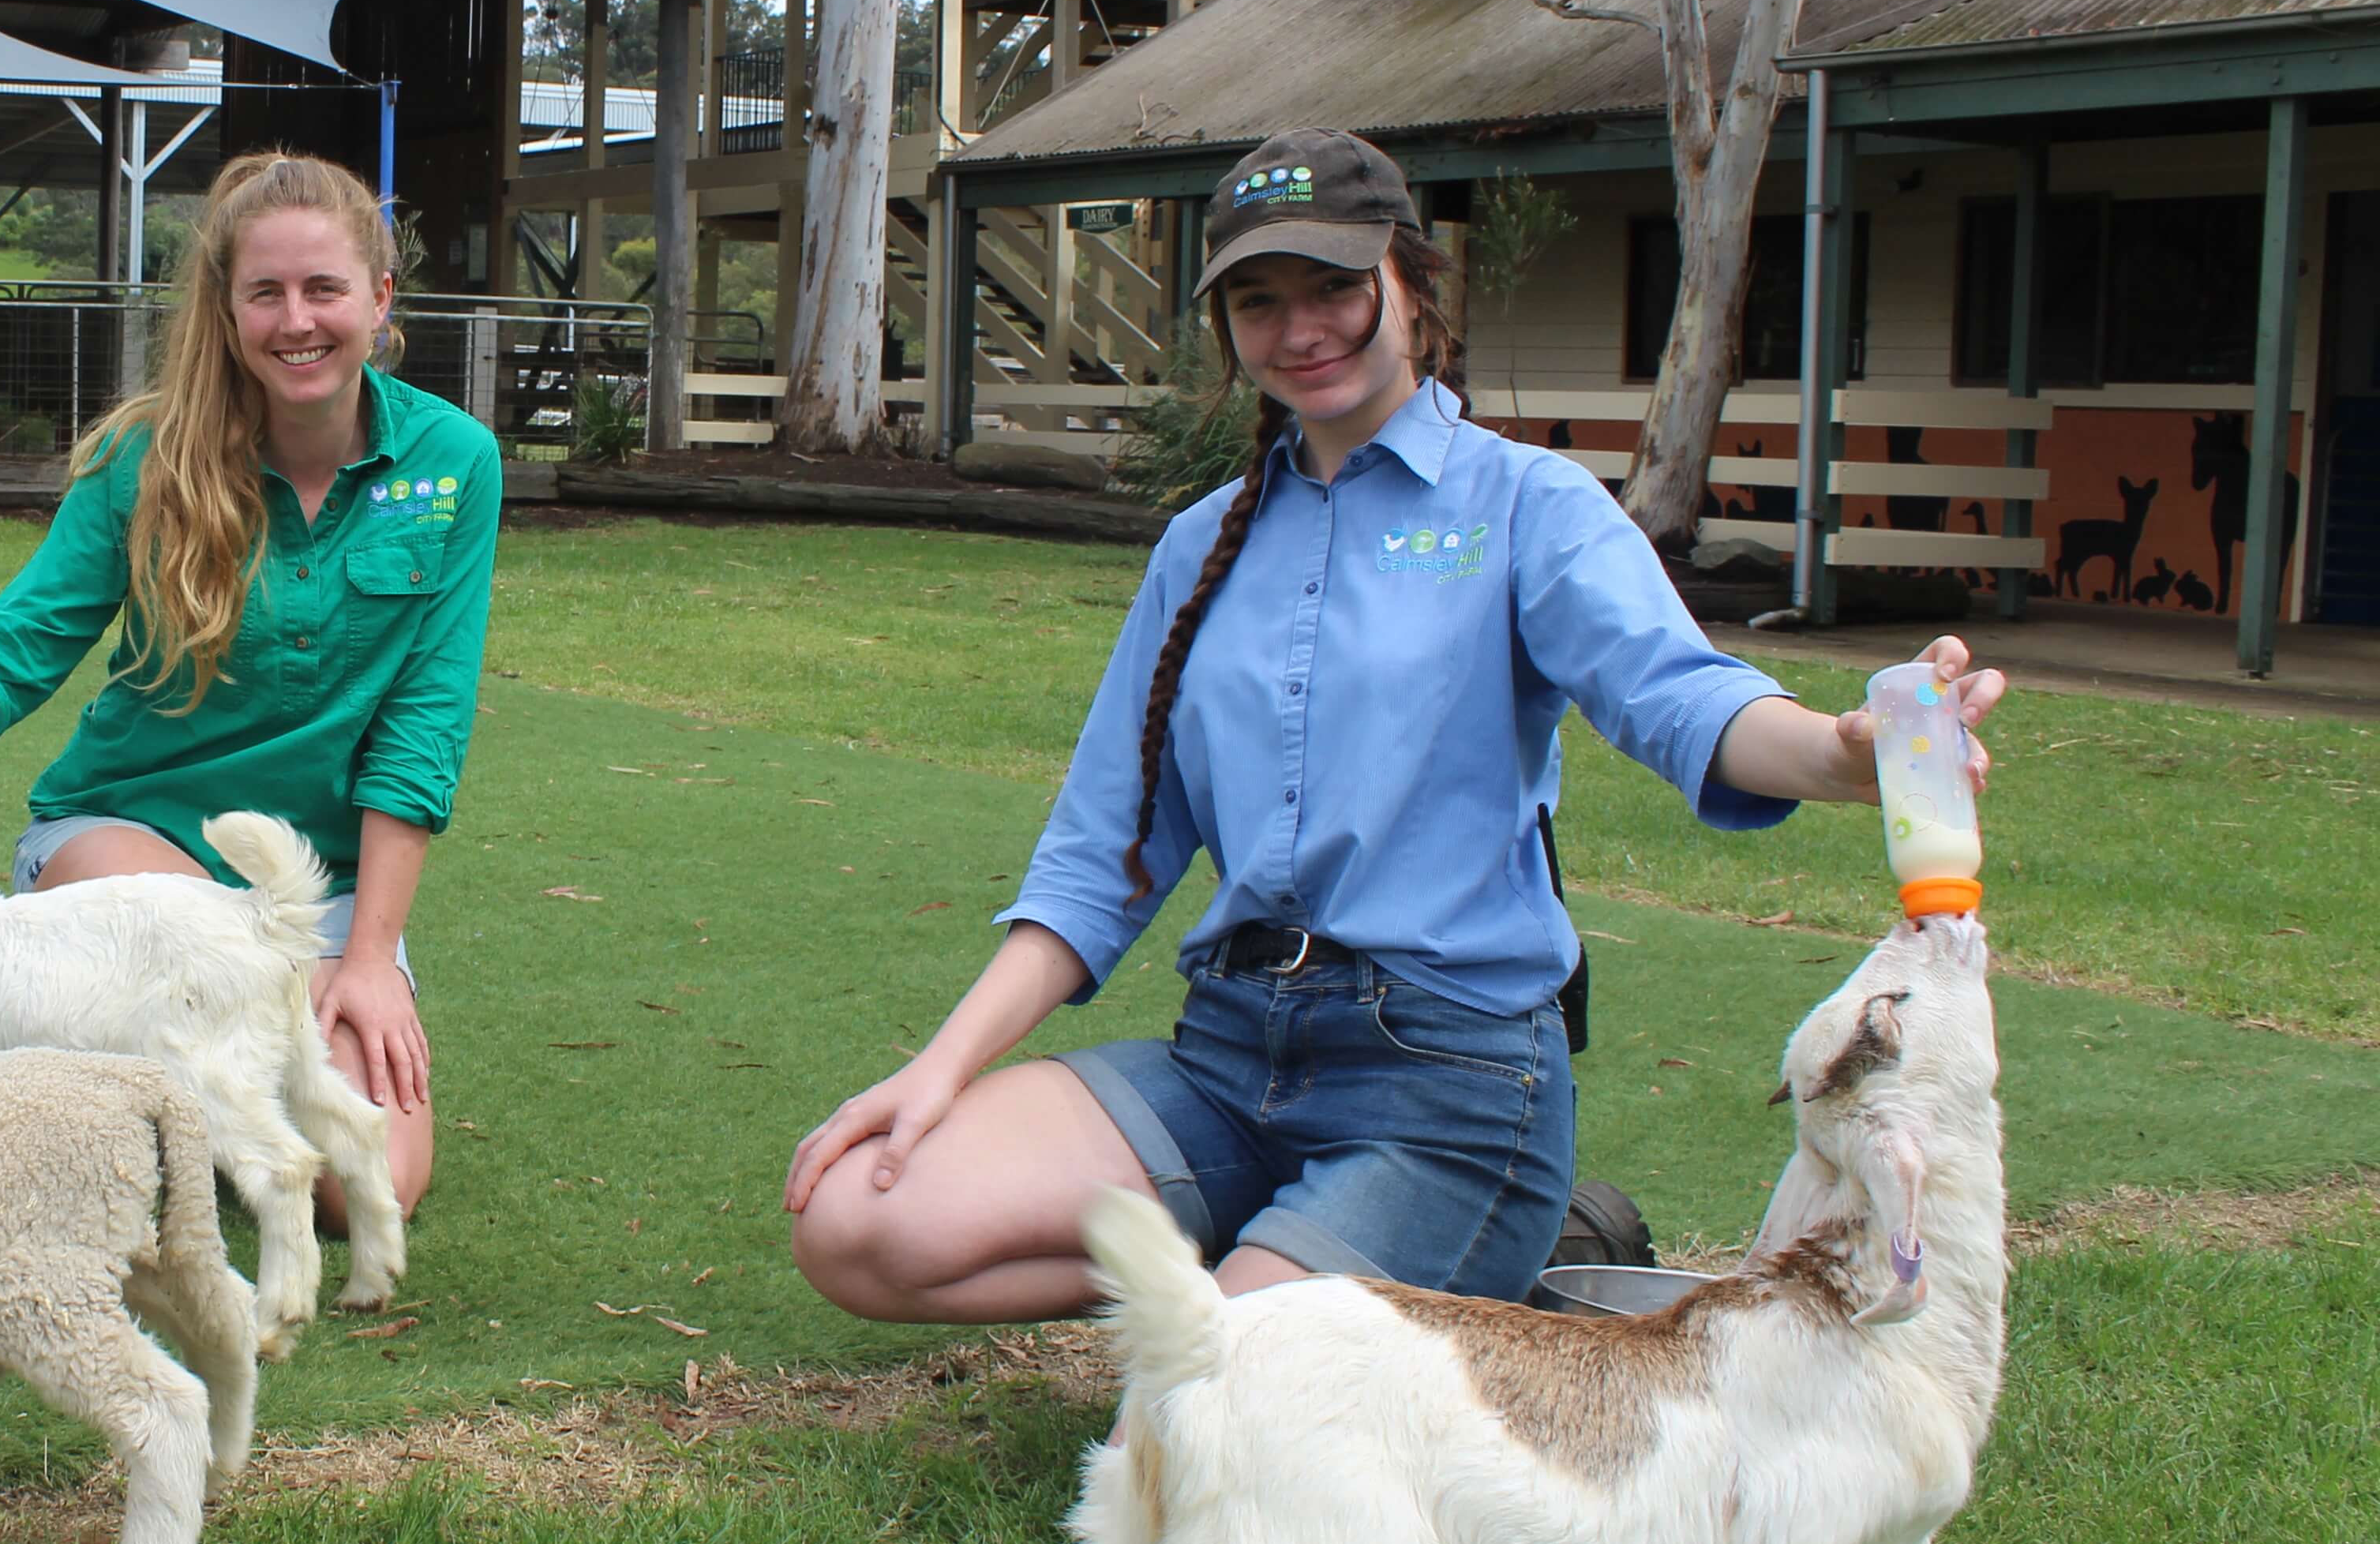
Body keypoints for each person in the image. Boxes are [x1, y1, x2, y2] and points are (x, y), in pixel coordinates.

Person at [785, 127, 2003, 1317]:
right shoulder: (1200, 544)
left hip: (1450, 1080)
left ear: (1415, 286)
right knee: (861, 1223)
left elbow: (1681, 698)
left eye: (1334, 287)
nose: (1299, 330)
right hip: (1231, 1059)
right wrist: (938, 1071)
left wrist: (1848, 754)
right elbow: (1108, 847)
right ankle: (1292, 1272)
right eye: (1259, 301)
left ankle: (1385, 1266)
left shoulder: (1526, 506)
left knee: (1216, 1416)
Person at [0, 149, 494, 1216]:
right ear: (227, 312)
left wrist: (364, 958)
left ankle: (107, 1084)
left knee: (369, 1189)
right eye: (264, 292)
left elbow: (424, 724)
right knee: (191, 956)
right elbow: (5, 663)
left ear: (380, 297)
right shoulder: (146, 459)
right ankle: (102, 1054)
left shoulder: (454, 461)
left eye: (324, 288)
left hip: (309, 889)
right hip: (129, 843)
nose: (297, 320)